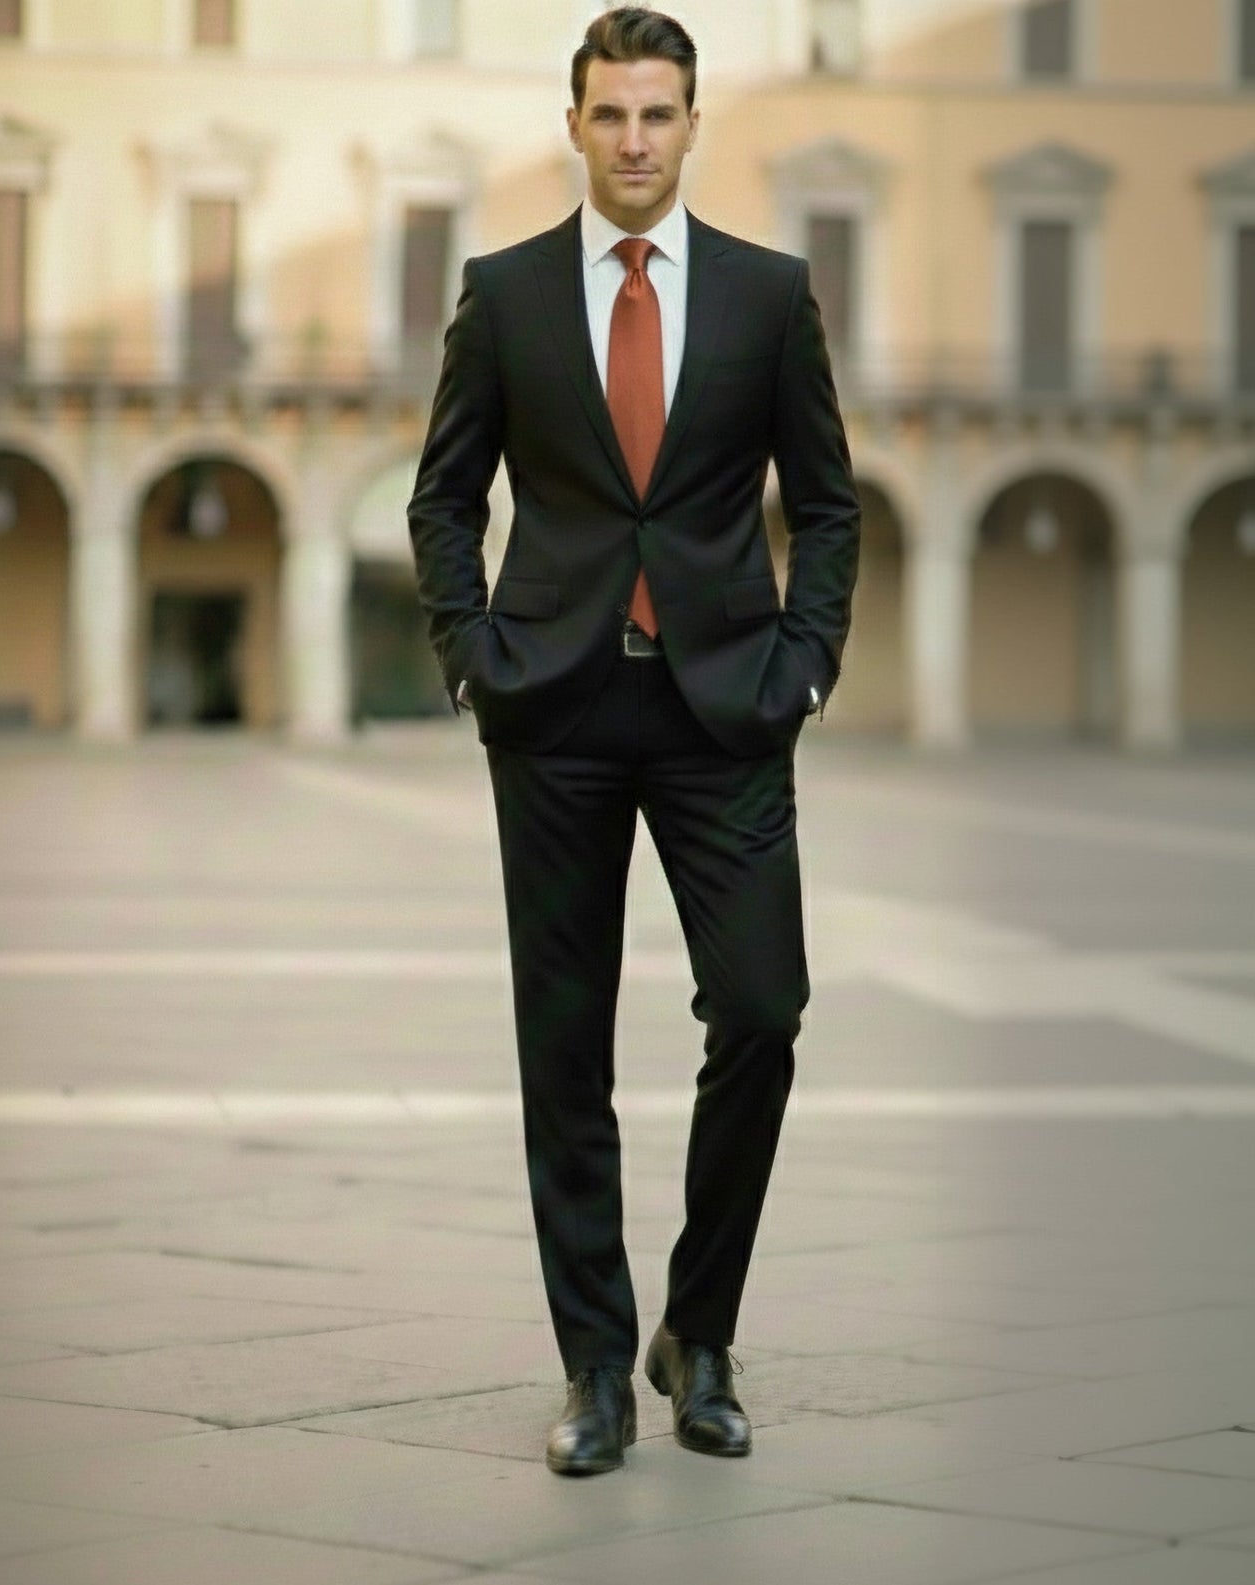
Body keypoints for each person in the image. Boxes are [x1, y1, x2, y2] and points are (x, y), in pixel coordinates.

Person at [408, 5, 860, 1475]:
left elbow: (829, 502)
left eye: (658, 113)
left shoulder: (765, 293)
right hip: (555, 705)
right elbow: (441, 495)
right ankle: (598, 1365)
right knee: (564, 1044)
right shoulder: (507, 293)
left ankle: (701, 1329)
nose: (634, 139)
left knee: (764, 1007)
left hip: (726, 703)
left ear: (689, 123)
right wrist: (474, 656)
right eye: (609, 114)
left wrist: (804, 662)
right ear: (574, 125)